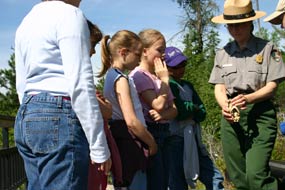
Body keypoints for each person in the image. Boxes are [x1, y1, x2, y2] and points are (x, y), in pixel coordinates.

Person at [14, 1, 111, 189]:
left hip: (28, 110)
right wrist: (98, 145)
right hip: (60, 114)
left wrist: (35, 115)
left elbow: (21, 82)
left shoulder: (28, 20)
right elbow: (80, 82)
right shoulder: (70, 14)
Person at [209, 0, 285, 189]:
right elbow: (219, 87)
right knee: (237, 175)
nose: (235, 29)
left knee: (256, 175)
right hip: (230, 116)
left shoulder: (268, 49)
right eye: (230, 25)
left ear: (250, 22)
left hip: (260, 113)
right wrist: (224, 105)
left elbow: (272, 86)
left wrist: (248, 98)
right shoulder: (223, 53)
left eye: (239, 24)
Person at [98, 30, 157, 190]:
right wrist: (151, 142)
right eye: (138, 54)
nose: (139, 59)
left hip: (120, 139)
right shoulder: (121, 79)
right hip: (130, 143)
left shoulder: (111, 75)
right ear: (123, 52)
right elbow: (131, 121)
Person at [164, 46, 224, 190]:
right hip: (175, 139)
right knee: (177, 181)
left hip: (194, 137)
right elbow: (180, 111)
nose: (180, 69)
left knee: (213, 175)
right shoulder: (166, 85)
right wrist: (192, 108)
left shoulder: (188, 86)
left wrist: (193, 109)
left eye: (183, 64)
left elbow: (202, 112)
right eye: (175, 66)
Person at [129, 29, 178, 190]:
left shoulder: (157, 77)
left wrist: (163, 113)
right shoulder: (139, 75)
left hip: (165, 131)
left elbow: (174, 110)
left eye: (164, 50)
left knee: (164, 180)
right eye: (159, 50)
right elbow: (156, 104)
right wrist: (165, 80)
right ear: (144, 51)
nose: (163, 54)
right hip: (152, 133)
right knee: (155, 181)